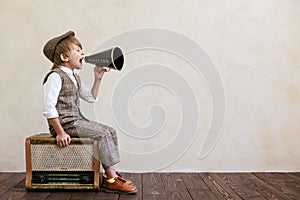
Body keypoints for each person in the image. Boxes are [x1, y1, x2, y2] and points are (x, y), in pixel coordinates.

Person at [42, 31, 137, 194]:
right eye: (78, 50)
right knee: (103, 134)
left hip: (76, 121)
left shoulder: (74, 77)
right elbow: (48, 107)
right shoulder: (55, 77)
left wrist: (98, 77)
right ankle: (112, 180)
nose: (83, 54)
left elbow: (91, 97)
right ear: (65, 57)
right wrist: (60, 132)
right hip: (65, 124)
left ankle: (112, 175)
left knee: (110, 131)